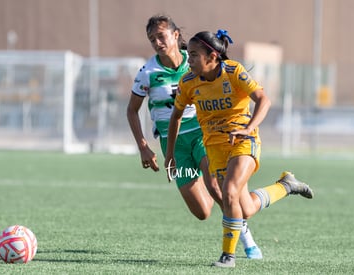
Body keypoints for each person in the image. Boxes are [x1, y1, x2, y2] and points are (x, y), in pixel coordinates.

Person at [165, 29, 313, 268]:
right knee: (245, 209)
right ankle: (286, 185)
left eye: (193, 55)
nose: (188, 60)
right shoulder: (188, 82)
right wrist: (170, 153)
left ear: (211, 56)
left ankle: (228, 256)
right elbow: (176, 117)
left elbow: (264, 100)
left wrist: (248, 128)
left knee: (230, 191)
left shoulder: (233, 71)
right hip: (215, 149)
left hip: (244, 141)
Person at [126, 16, 262, 259]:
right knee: (202, 212)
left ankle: (246, 241)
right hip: (174, 143)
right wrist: (144, 147)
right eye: (152, 39)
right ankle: (225, 203)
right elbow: (131, 110)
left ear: (176, 35)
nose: (157, 42)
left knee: (218, 188)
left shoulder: (197, 59)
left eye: (161, 36)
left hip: (203, 134)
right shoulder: (148, 72)